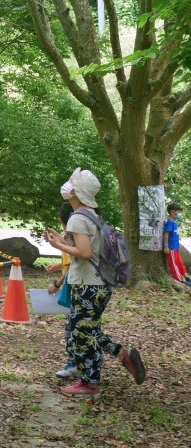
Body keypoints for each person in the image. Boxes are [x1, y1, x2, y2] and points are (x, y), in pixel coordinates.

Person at [43, 168, 146, 395]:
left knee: (83, 334)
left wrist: (58, 246)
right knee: (87, 329)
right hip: (99, 286)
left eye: (71, 182)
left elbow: (85, 252)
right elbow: (88, 248)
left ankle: (90, 383)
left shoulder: (77, 217)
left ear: (77, 192)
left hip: (88, 286)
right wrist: (61, 239)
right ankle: (122, 355)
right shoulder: (92, 215)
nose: (67, 185)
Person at [47, 201, 76, 378]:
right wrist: (58, 266)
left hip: (72, 288)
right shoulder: (77, 235)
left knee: (72, 328)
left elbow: (73, 267)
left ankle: (73, 364)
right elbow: (69, 262)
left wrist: (56, 284)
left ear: (60, 220)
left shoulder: (69, 238)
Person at [163, 203, 191, 285]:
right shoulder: (170, 222)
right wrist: (166, 246)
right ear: (172, 212)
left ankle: (187, 278)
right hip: (171, 248)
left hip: (176, 247)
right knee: (174, 264)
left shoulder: (175, 223)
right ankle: (179, 280)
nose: (180, 214)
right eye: (179, 212)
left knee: (180, 263)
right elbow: (166, 234)